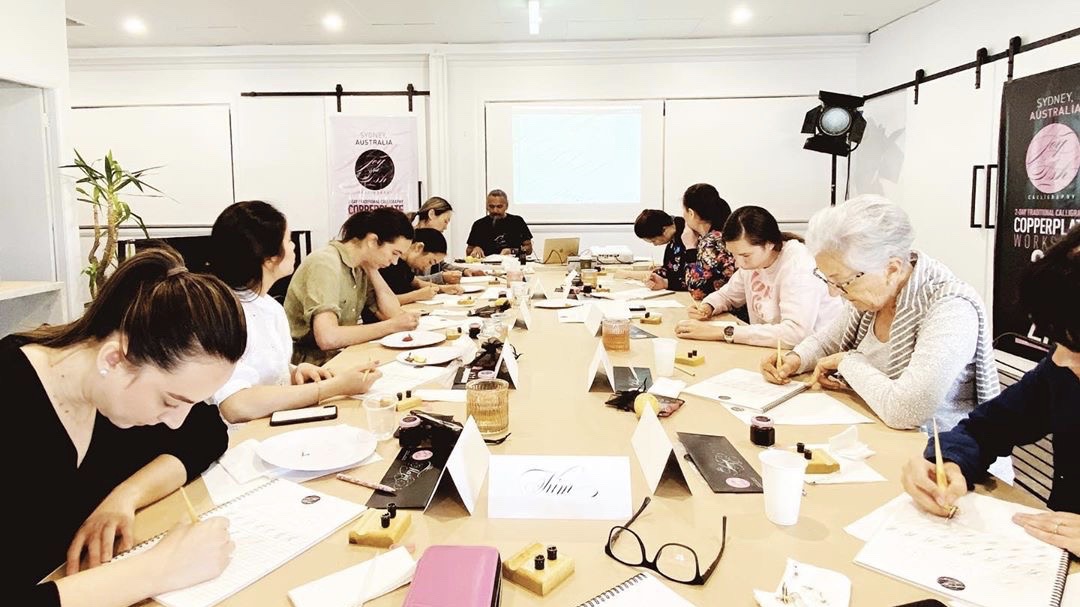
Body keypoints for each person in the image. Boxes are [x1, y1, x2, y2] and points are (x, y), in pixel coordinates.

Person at [8, 247, 246, 606]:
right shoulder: (15, 401)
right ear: (114, 359)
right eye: (170, 401)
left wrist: (126, 496)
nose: (176, 421)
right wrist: (159, 569)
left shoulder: (111, 392)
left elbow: (205, 432)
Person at [901, 224, 1079, 551]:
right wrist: (948, 463)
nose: (1061, 359)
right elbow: (986, 428)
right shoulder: (1061, 371)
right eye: (1058, 342)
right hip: (1053, 555)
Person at [761, 195, 1000, 431]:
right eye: (828, 280)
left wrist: (847, 363)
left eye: (841, 282)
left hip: (935, 448)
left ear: (891, 269)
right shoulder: (870, 300)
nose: (834, 293)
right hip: (874, 427)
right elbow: (826, 343)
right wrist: (794, 359)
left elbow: (905, 410)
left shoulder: (951, 310)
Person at [207, 201, 381, 423]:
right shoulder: (224, 315)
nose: (293, 247)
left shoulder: (269, 306)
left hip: (276, 419)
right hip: (246, 434)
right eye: (288, 240)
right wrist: (332, 387)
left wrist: (294, 371)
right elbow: (236, 405)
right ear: (270, 258)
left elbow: (261, 370)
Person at [676, 205, 841, 347]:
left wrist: (722, 332)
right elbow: (728, 295)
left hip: (813, 355)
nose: (738, 263)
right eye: (733, 255)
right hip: (773, 351)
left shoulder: (798, 266)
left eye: (745, 255)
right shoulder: (754, 262)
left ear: (769, 244)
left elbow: (795, 333)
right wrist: (708, 306)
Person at [284, 207, 420, 366]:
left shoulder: (361, 265)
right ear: (372, 241)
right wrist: (390, 326)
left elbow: (393, 314)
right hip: (311, 362)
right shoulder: (325, 264)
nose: (395, 262)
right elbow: (328, 338)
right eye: (394, 253)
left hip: (341, 353)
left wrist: (372, 270)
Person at [676, 183, 737, 301]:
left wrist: (690, 248)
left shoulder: (710, 242)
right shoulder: (720, 234)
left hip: (726, 306)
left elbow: (696, 290)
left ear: (691, 213)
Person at [380, 228, 465, 305]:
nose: (427, 268)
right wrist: (417, 295)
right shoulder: (387, 264)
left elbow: (416, 282)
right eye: (430, 262)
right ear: (418, 247)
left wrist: (444, 288)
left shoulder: (404, 264)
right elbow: (382, 302)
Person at [410, 196, 484, 283]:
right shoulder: (409, 240)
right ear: (431, 214)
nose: (445, 228)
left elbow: (441, 265)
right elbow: (408, 280)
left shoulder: (433, 239)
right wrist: (441, 277)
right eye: (445, 221)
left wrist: (464, 271)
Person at [616, 209, 689, 291]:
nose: (655, 244)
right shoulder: (675, 234)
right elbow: (671, 270)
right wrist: (659, 271)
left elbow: (689, 279)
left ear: (664, 230)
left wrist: (628, 274)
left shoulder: (687, 237)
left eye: (654, 240)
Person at [466, 189, 534, 257]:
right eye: (491, 206)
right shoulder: (478, 225)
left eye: (499, 206)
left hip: (512, 262)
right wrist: (475, 249)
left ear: (506, 206)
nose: (495, 210)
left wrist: (511, 251)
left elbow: (529, 249)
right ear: (487, 206)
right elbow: (468, 251)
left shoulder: (517, 222)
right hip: (486, 262)